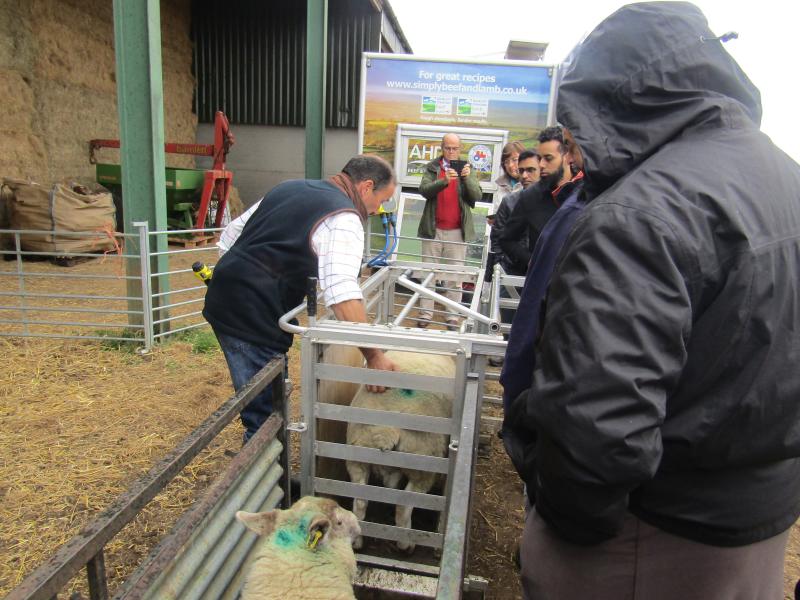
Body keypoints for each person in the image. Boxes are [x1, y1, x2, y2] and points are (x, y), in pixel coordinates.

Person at [508, 3, 800, 599]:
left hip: (649, 537)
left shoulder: (640, 214)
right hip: (757, 521)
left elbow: (595, 430)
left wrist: (563, 515)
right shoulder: (785, 179)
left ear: (607, 100)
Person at [203, 155, 398, 442]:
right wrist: (374, 355)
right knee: (266, 411)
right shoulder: (343, 217)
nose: (378, 209)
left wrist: (242, 277)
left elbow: (231, 235)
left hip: (229, 300)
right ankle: (262, 479)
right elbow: (342, 292)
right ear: (367, 186)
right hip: (252, 315)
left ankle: (270, 469)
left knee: (270, 390)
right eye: (382, 199)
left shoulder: (289, 187)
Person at [417, 133, 482, 329]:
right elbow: (424, 190)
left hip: (457, 232)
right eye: (448, 148)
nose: (451, 152)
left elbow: (476, 196)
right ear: (442, 148)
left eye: (455, 148)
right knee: (428, 274)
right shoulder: (433, 168)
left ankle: (452, 316)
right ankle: (425, 314)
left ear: (460, 149)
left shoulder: (466, 169)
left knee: (456, 277)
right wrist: (444, 180)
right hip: (433, 229)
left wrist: (467, 178)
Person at [499, 126, 583, 278]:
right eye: (540, 158)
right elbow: (507, 240)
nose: (542, 164)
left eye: (548, 158)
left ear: (566, 156)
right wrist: (531, 260)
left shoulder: (587, 191)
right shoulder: (530, 197)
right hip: (542, 287)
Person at [491, 140, 526, 213]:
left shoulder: (530, 185)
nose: (510, 165)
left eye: (515, 160)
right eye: (506, 162)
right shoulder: (502, 186)